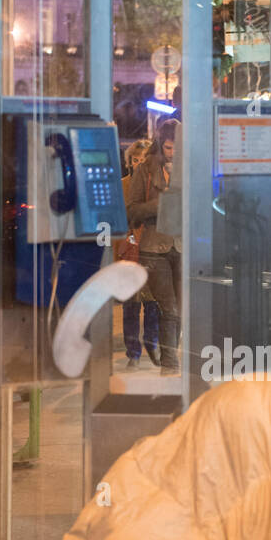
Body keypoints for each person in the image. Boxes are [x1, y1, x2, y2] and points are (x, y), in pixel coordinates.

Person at [126, 121, 181, 374]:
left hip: (182, 245)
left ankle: (170, 358)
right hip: (154, 247)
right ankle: (170, 363)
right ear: (161, 144)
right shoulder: (146, 170)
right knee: (168, 306)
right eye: (169, 148)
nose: (172, 153)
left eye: (177, 148)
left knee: (179, 307)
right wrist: (159, 204)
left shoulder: (190, 168)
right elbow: (132, 210)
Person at [119, 139, 160, 368]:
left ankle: (151, 343)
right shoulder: (122, 186)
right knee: (131, 306)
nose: (139, 163)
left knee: (153, 304)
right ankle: (133, 352)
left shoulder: (155, 185)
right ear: (130, 162)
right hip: (130, 250)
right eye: (135, 159)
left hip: (152, 249)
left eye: (143, 159)